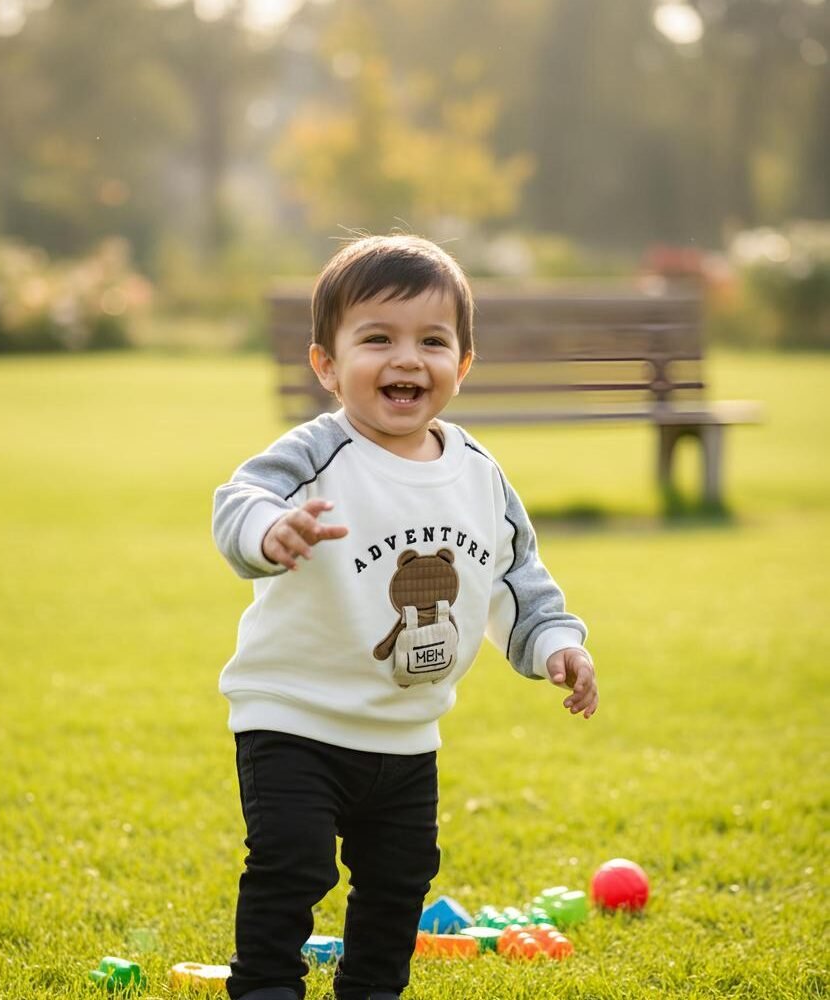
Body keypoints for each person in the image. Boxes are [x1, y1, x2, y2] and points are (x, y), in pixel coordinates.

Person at [212, 234, 598, 1000]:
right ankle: (264, 985)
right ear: (327, 364)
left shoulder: (478, 474)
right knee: (293, 861)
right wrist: (270, 531)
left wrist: (554, 641)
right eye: (377, 339)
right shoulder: (317, 452)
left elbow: (516, 574)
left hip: (405, 730)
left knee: (399, 878)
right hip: (294, 717)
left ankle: (371, 989)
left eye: (432, 341)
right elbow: (241, 500)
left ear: (462, 363)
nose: (406, 359)